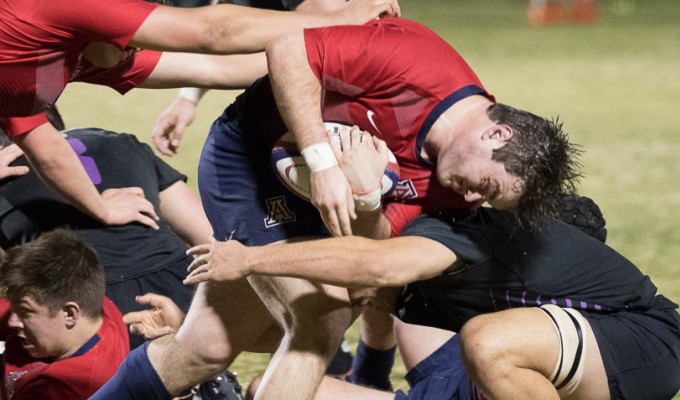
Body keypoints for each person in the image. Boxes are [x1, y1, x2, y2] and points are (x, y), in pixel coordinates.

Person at [92, 17, 579, 400]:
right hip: (248, 161)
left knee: (204, 349)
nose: (475, 201)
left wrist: (367, 198)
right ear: (497, 134)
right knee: (321, 317)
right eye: (487, 186)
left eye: (489, 199)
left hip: (321, 207)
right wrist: (323, 161)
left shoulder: (451, 188)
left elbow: (368, 261)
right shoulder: (419, 62)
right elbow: (287, 50)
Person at [184, 194, 680, 399]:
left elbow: (374, 265)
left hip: (525, 358)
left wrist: (250, 259)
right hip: (452, 383)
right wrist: (194, 340)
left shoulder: (588, 338)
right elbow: (357, 292)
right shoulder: (451, 289)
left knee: (487, 339)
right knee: (271, 390)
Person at [0, 0, 401, 237]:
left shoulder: (81, 57)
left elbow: (214, 67)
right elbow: (213, 31)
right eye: (131, 36)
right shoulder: (65, 7)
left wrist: (332, 50)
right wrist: (342, 17)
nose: (132, 49)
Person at [0, 121, 213, 350]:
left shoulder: (5, 183)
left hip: (93, 311)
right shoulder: (116, 140)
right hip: (187, 290)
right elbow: (209, 236)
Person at [151, 0, 350, 157]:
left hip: (343, 115)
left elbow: (336, 45)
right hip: (305, 114)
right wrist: (188, 97)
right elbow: (232, 30)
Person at [0, 228, 129, 399]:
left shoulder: (65, 389)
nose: (12, 321)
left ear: (70, 314)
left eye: (24, 312)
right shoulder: (86, 299)